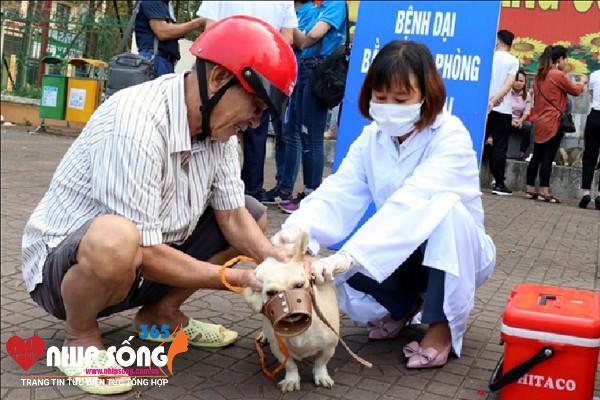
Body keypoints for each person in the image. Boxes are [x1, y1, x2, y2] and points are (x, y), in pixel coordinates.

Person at [21, 16, 296, 395]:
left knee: (253, 214)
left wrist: (273, 260)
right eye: (256, 104)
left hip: (143, 259)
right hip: (67, 269)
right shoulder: (135, 125)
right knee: (116, 237)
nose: (254, 122)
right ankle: (80, 336)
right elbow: (143, 249)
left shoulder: (220, 134)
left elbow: (232, 217)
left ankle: (160, 317)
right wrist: (234, 278)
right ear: (217, 78)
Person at [271, 40, 496, 369]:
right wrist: (296, 230)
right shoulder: (371, 138)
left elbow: (414, 203)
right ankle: (404, 306)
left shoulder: (451, 135)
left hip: (457, 253)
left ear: (426, 95)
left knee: (443, 211)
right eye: (381, 97)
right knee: (349, 262)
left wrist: (350, 257)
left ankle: (441, 326)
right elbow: (339, 191)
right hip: (402, 246)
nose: (389, 106)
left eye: (401, 99)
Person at [196, 1, 298, 202]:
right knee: (255, 137)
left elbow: (210, 29)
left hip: (225, 70)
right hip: (263, 72)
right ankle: (249, 194)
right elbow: (287, 39)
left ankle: (205, 189)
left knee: (212, 129)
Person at [278, 0, 348, 213]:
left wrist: (299, 35)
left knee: (313, 136)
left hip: (320, 69)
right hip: (305, 69)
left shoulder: (335, 4)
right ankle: (308, 192)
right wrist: (301, 37)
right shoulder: (315, 5)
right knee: (302, 132)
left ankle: (312, 193)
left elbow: (314, 34)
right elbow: (301, 38)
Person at [262, 0, 317, 204]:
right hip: (275, 76)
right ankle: (280, 183)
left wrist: (288, 34)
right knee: (280, 133)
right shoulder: (284, 9)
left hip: (294, 76)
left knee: (290, 133)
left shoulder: (311, 11)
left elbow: (299, 40)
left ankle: (286, 188)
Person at [525, 45, 588, 203]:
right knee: (548, 157)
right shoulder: (558, 75)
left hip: (539, 121)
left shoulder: (540, 76)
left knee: (536, 156)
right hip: (553, 121)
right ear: (559, 59)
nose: (566, 62)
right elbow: (575, 90)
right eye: (565, 58)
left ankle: (530, 188)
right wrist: (582, 82)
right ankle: (544, 191)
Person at [484, 30, 519, 196]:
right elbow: (509, 83)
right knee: (499, 146)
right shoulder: (513, 60)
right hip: (502, 109)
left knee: (477, 142)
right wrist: (497, 99)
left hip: (485, 106)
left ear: (497, 41)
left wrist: (489, 100)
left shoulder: (487, 56)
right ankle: (498, 183)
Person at [135, 0, 204, 78]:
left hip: (163, 61)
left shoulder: (165, 4)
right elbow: (162, 32)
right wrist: (197, 23)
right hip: (155, 60)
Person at [579, 69, 600, 210]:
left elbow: (591, 96)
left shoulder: (594, 75)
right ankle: (599, 195)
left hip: (594, 116)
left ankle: (586, 193)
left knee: (589, 157)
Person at [510, 70, 533, 161]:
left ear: (524, 83)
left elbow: (527, 112)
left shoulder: (527, 95)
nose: (518, 83)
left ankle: (522, 152)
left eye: (521, 81)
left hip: (519, 122)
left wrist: (520, 121)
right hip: (507, 119)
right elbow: (505, 109)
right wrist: (510, 120)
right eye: (516, 80)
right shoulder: (507, 93)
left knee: (528, 126)